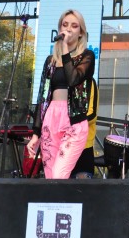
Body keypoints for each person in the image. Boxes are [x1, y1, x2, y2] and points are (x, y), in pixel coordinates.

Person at [27, 10, 96, 179]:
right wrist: (36, 133)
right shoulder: (50, 61)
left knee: (59, 174)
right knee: (50, 176)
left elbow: (73, 79)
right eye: (65, 25)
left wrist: (65, 50)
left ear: (81, 33)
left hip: (73, 120)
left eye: (74, 26)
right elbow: (42, 97)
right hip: (51, 118)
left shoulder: (87, 56)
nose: (69, 29)